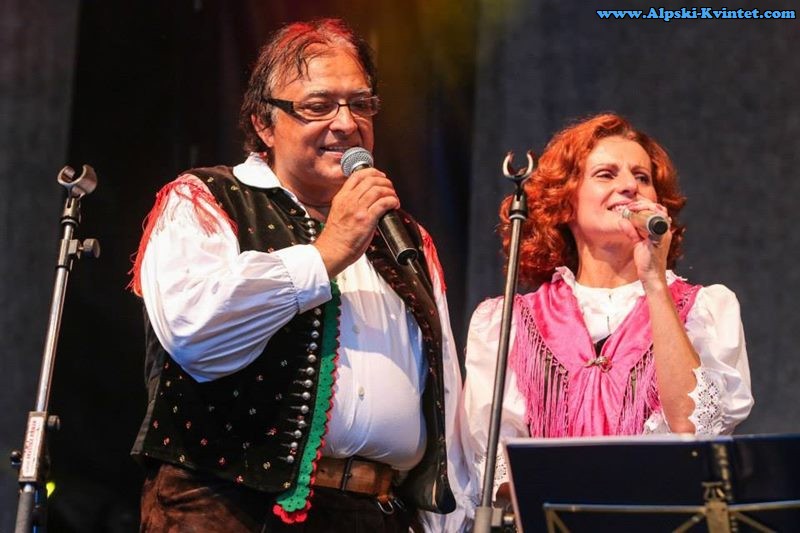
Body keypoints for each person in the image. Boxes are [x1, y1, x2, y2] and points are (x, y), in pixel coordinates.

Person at [128, 18, 469, 532]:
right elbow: (195, 331)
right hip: (228, 508)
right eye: (318, 105)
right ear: (265, 124)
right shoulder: (203, 199)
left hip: (378, 513)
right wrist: (329, 251)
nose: (346, 123)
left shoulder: (405, 238)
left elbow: (446, 399)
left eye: (360, 104)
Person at [461, 113, 754, 507]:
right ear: (565, 202)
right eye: (606, 174)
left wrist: (654, 281)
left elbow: (694, 429)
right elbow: (493, 470)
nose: (629, 186)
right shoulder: (508, 322)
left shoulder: (704, 309)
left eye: (642, 177)